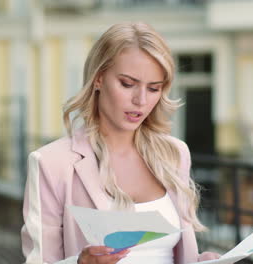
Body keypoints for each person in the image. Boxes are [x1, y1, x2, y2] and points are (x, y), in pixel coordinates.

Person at [21, 22, 221, 264]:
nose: (141, 100)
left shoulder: (175, 154)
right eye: (127, 84)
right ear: (98, 78)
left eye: (154, 88)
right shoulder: (52, 164)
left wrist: (203, 260)